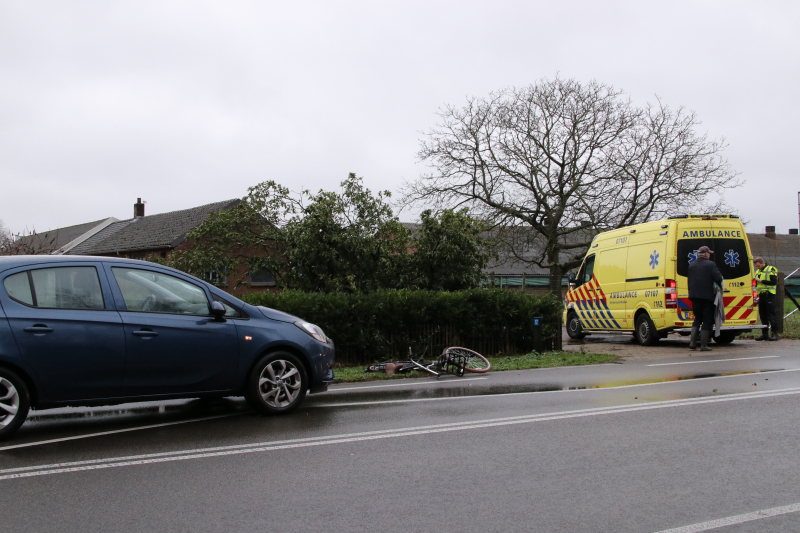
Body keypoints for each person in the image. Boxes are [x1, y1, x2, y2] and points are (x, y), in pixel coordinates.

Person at [688, 246, 723, 351]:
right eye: (709, 253)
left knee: (697, 319)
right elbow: (718, 279)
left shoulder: (691, 265)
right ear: (706, 254)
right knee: (707, 320)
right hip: (707, 297)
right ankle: (703, 345)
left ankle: (692, 343)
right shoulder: (711, 265)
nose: (710, 255)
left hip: (694, 296)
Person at [753, 256, 779, 341]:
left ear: (762, 263)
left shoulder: (771, 269)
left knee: (771, 315)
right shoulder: (757, 272)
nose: (758, 268)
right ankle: (765, 334)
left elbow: (774, 282)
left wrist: (761, 281)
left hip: (769, 296)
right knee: (763, 316)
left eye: (759, 266)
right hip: (761, 296)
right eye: (757, 266)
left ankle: (775, 334)